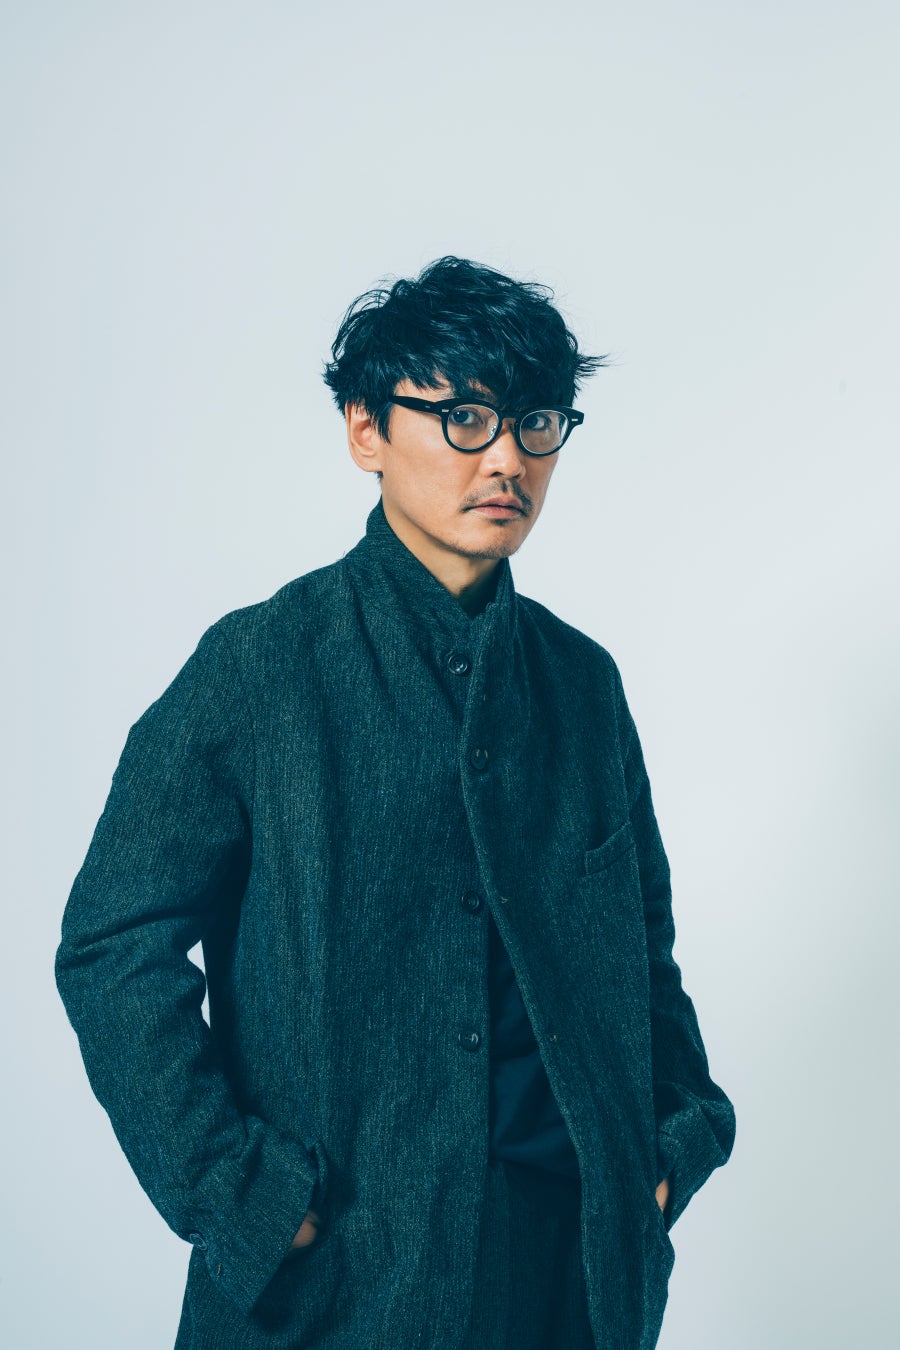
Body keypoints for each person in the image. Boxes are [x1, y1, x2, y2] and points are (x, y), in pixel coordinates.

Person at [56, 256, 735, 1350]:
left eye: (536, 422)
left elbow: (639, 948)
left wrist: (671, 1140)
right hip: (344, 1279)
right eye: (464, 417)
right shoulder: (260, 668)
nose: (507, 458)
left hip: (568, 1276)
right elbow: (110, 944)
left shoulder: (581, 684)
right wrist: (239, 1192)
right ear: (366, 430)